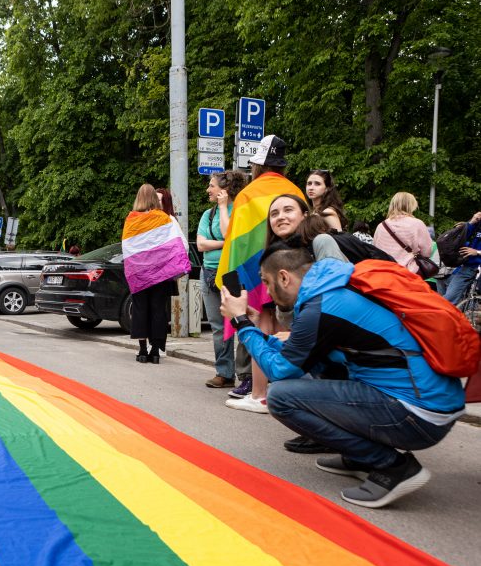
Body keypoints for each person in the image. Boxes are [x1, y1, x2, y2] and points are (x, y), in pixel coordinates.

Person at [220, 246, 465, 508]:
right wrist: (257, 332)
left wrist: (241, 323)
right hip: (430, 403)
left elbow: (279, 370)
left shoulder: (321, 306)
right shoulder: (334, 288)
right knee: (311, 375)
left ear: (284, 277)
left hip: (417, 414)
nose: (266, 292)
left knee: (281, 397)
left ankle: (393, 467)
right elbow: (305, 356)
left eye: (267, 283)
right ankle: (359, 457)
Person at [217, 134, 305, 413]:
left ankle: (259, 394)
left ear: (258, 165)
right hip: (292, 270)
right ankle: (283, 393)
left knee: (262, 327)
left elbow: (236, 240)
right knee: (285, 330)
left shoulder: (248, 193)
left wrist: (234, 280)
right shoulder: (296, 191)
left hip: (259, 271)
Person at [122, 183, 190, 364]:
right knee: (158, 311)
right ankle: (155, 352)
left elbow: (128, 248)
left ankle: (142, 350)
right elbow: (178, 245)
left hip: (139, 275)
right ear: (154, 198)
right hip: (159, 275)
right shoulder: (164, 219)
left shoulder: (131, 220)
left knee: (140, 310)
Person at [197, 170, 247, 388]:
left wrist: (225, 207)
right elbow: (200, 245)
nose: (208, 189)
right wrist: (224, 244)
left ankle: (246, 375)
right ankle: (224, 373)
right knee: (218, 326)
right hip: (207, 272)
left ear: (224, 190)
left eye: (212, 185)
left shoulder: (238, 211)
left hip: (231, 273)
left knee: (236, 322)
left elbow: (228, 234)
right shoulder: (207, 215)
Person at [372, 192, 433, 276]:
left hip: (385, 273)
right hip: (408, 273)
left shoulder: (381, 226)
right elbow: (427, 252)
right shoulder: (417, 224)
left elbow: (375, 250)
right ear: (411, 205)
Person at [442, 211, 481, 304]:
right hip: (468, 266)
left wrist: (478, 252)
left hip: (474, 265)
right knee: (449, 297)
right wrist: (472, 221)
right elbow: (461, 238)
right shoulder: (478, 224)